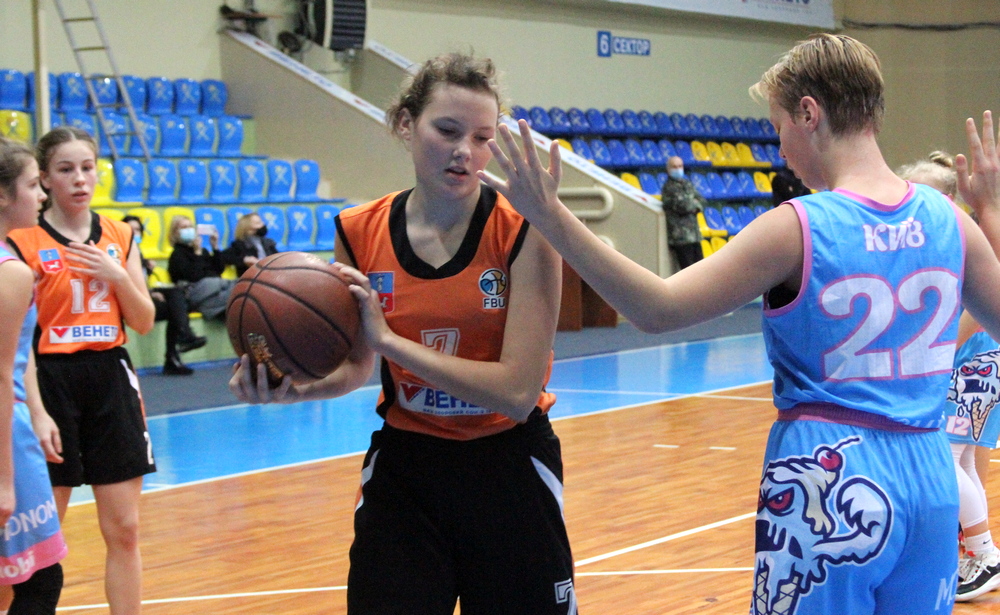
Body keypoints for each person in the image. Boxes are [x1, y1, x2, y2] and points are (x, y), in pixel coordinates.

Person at [482, 34, 1000, 615]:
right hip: (930, 476)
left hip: (827, 479)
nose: (780, 149)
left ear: (809, 113)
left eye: (779, 126)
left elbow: (657, 308)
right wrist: (992, 212)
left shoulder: (798, 226)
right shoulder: (950, 220)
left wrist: (551, 215)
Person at [230, 53, 576, 614]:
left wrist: (392, 342)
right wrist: (293, 387)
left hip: (509, 466)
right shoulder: (359, 230)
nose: (465, 151)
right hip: (407, 469)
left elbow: (516, 393)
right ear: (405, 124)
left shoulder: (527, 228)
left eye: (482, 137)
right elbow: (355, 368)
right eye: (448, 130)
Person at [6, 127, 156, 614]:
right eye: (66, 169)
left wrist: (117, 277)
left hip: (110, 376)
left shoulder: (119, 234)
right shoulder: (21, 240)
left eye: (87, 168)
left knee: (125, 529)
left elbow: (143, 321)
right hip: (48, 381)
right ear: (45, 178)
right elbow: (17, 338)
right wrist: (36, 409)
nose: (79, 179)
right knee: (34, 541)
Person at [899, 152, 1000, 600]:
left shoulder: (962, 240)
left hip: (973, 363)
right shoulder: (933, 243)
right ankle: (975, 553)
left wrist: (935, 355)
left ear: (945, 199)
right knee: (960, 459)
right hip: (974, 363)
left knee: (943, 456)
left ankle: (983, 553)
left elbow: (976, 313)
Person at [0, 138, 69, 614]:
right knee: (41, 581)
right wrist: (5, 480)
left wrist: (40, 411)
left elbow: (16, 349)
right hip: (6, 436)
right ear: (3, 195)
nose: (42, 194)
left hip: (21, 415)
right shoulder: (12, 272)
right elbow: (1, 373)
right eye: (31, 185)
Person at [122, 215, 206, 376]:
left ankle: (175, 353)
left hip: (143, 298)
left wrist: (150, 287)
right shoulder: (118, 254)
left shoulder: (139, 254)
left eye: (138, 229)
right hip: (129, 303)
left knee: (175, 301)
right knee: (176, 304)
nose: (135, 233)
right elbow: (125, 284)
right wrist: (150, 294)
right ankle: (183, 338)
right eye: (130, 230)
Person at [166, 215, 233, 321]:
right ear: (175, 233)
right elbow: (194, 276)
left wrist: (215, 247)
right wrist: (197, 253)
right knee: (227, 285)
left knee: (238, 286)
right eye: (184, 227)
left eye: (190, 226)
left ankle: (210, 308)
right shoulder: (177, 254)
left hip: (210, 290)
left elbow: (219, 270)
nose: (188, 229)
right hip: (192, 290)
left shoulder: (203, 251)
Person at [660, 155, 705, 270]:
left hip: (694, 235)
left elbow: (702, 200)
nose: (678, 169)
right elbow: (682, 206)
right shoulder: (669, 187)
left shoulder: (687, 183)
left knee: (702, 269)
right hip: (681, 238)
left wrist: (693, 204)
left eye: (680, 166)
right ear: (668, 169)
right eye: (674, 166)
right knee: (689, 271)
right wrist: (694, 204)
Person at [221, 212, 278, 277]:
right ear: (247, 227)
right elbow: (225, 256)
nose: (262, 225)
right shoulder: (239, 245)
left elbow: (277, 258)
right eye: (258, 223)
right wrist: (244, 259)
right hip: (250, 277)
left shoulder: (268, 243)